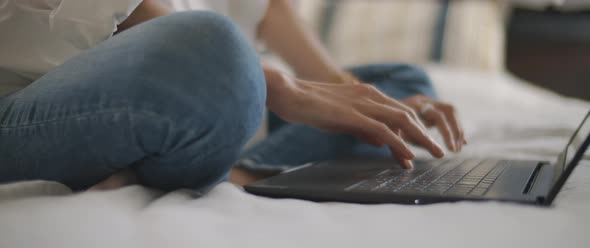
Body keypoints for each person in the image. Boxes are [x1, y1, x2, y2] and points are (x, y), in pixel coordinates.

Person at [0, 0, 465, 192]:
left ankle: (242, 169)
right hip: (30, 95)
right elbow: (156, 31)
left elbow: (262, 8)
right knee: (214, 53)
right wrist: (277, 84)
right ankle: (229, 138)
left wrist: (342, 88)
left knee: (402, 83)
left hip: (219, 89)